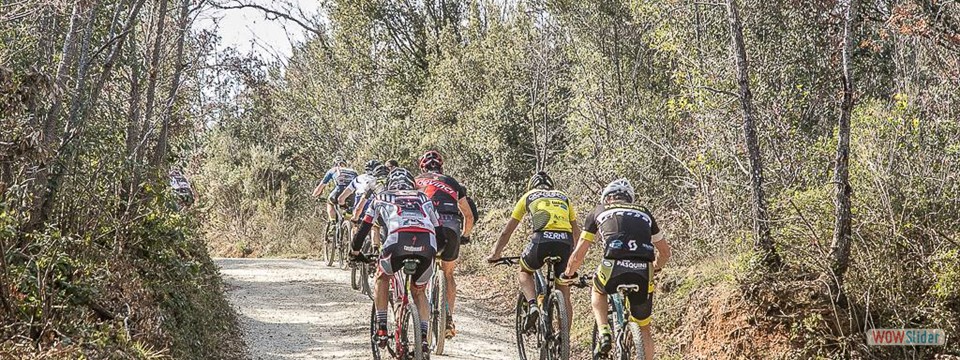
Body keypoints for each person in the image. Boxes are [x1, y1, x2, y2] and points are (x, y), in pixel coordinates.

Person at [560, 179, 671, 360]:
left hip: (613, 266)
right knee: (644, 329)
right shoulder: (645, 213)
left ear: (608, 198)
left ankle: (604, 332)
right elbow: (665, 252)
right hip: (644, 270)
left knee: (598, 289)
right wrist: (656, 268)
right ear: (629, 199)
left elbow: (579, 254)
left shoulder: (599, 211)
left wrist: (568, 273)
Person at [349, 168, 440, 354]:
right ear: (411, 185)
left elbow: (363, 229)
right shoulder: (424, 198)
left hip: (397, 241)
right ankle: (423, 338)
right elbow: (441, 233)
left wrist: (355, 252)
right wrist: (436, 253)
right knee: (419, 291)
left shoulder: (381, 197)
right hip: (427, 242)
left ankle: (382, 328)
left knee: (383, 278)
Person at [486, 171, 580, 332]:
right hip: (565, 243)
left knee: (524, 271)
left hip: (541, 240)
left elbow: (507, 232)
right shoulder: (563, 197)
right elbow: (577, 232)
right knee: (564, 292)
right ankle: (563, 339)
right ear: (551, 187)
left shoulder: (529, 196)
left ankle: (532, 305)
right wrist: (576, 256)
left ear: (531, 186)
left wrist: (496, 254)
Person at [414, 150, 474, 338]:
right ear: (441, 167)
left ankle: (418, 319)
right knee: (448, 273)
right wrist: (465, 235)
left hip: (427, 227)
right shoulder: (453, 182)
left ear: (422, 167)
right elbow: (469, 215)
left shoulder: (416, 181)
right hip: (451, 227)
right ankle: (448, 318)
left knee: (419, 273)